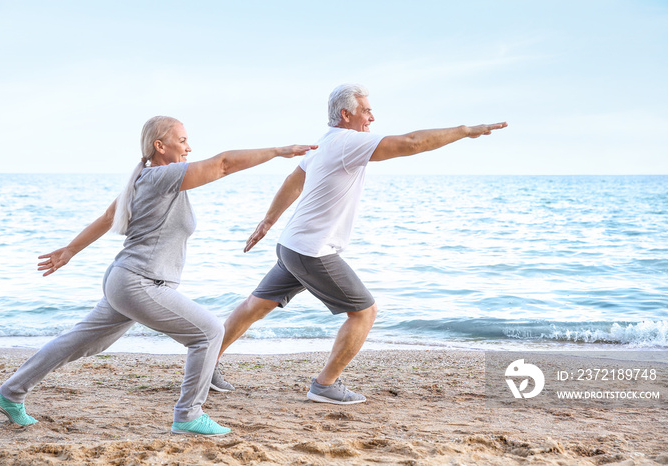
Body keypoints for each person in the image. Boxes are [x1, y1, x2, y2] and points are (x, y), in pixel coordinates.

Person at [0, 116, 316, 435]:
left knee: (79, 343)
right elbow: (224, 164)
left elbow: (108, 216)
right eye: (183, 140)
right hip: (139, 282)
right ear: (161, 146)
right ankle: (188, 416)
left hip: (125, 280)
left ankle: (10, 393)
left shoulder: (145, 177)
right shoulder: (161, 177)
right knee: (209, 332)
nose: (189, 147)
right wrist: (277, 151)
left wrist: (70, 251)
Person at [211, 84, 507, 404]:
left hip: (291, 245)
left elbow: (293, 181)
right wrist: (464, 131)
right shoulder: (348, 142)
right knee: (364, 313)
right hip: (312, 251)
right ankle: (324, 385)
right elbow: (411, 143)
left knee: (255, 306)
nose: (372, 117)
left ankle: (204, 365)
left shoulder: (321, 143)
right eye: (367, 111)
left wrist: (268, 222)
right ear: (346, 114)